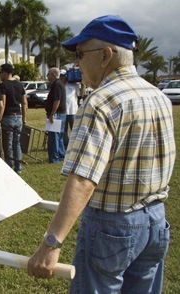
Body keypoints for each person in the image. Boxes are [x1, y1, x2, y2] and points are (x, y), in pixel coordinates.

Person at [27, 15, 176, 294]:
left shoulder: (101, 101)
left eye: (81, 55)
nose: (77, 64)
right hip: (156, 221)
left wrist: (51, 244)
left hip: (112, 226)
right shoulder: (158, 96)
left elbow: (83, 180)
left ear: (105, 55)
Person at [0, 63, 27, 173]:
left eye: (0, 73)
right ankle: (18, 168)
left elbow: (3, 104)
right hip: (18, 116)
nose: (0, 75)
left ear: (5, 73)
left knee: (8, 144)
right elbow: (24, 103)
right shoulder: (19, 85)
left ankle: (9, 167)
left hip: (8, 116)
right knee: (17, 143)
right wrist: (24, 118)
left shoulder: (3, 85)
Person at [44, 67, 66, 163]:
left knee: (54, 137)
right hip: (61, 113)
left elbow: (57, 100)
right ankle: (61, 155)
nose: (47, 76)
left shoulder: (56, 85)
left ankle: (54, 158)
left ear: (53, 75)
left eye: (48, 74)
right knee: (59, 136)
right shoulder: (59, 84)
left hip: (56, 114)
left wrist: (52, 113)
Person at [59, 69, 79, 149]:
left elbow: (80, 94)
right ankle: (66, 144)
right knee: (64, 129)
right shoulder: (59, 85)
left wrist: (83, 85)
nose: (62, 78)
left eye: (63, 76)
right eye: (60, 76)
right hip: (63, 111)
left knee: (74, 128)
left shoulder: (73, 85)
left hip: (72, 110)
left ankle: (75, 144)